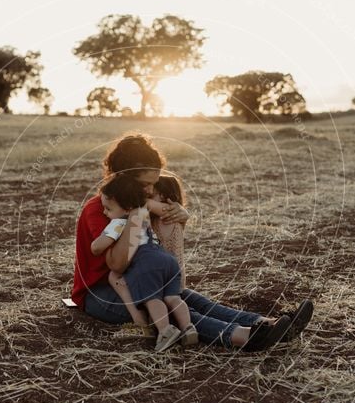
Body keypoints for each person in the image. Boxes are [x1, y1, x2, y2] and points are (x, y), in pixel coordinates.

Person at [71, 133, 313, 352]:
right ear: (122, 178)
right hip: (101, 294)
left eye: (154, 183)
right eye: (145, 184)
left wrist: (180, 217)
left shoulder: (142, 201)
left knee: (193, 300)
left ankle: (267, 324)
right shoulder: (101, 209)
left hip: (143, 280)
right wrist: (137, 213)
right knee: (170, 309)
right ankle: (244, 337)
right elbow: (117, 265)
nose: (151, 190)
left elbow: (166, 246)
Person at [91, 173, 197, 351]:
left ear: (126, 208)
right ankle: (188, 327)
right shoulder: (146, 217)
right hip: (168, 260)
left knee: (152, 299)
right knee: (172, 298)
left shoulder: (119, 222)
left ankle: (165, 330)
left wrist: (98, 242)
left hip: (148, 262)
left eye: (108, 209)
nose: (104, 212)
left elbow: (96, 248)